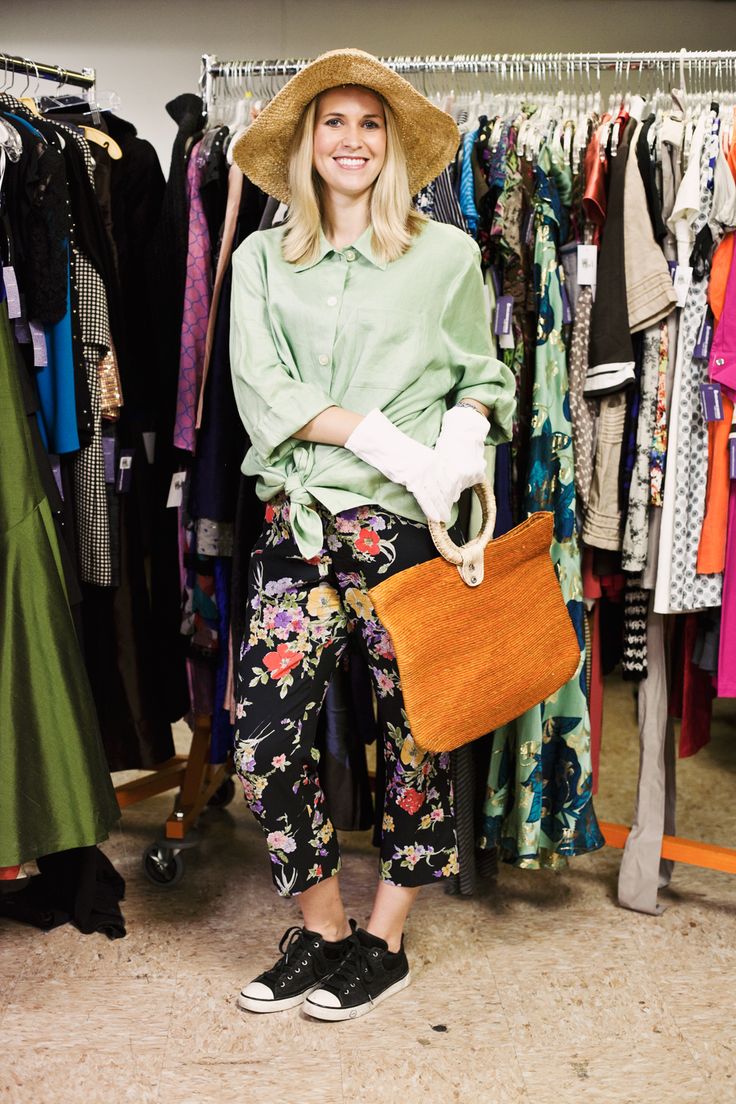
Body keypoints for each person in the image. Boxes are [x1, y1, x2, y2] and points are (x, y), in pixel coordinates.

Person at [229, 48, 515, 1022]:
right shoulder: (259, 261)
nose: (350, 140)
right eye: (332, 122)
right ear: (306, 143)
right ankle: (323, 928)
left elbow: (483, 372)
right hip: (301, 532)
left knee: (415, 737)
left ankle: (383, 941)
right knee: (266, 743)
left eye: (369, 123)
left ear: (390, 146)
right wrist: (395, 442)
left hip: (407, 537)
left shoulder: (447, 257)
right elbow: (265, 393)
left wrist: (460, 442)